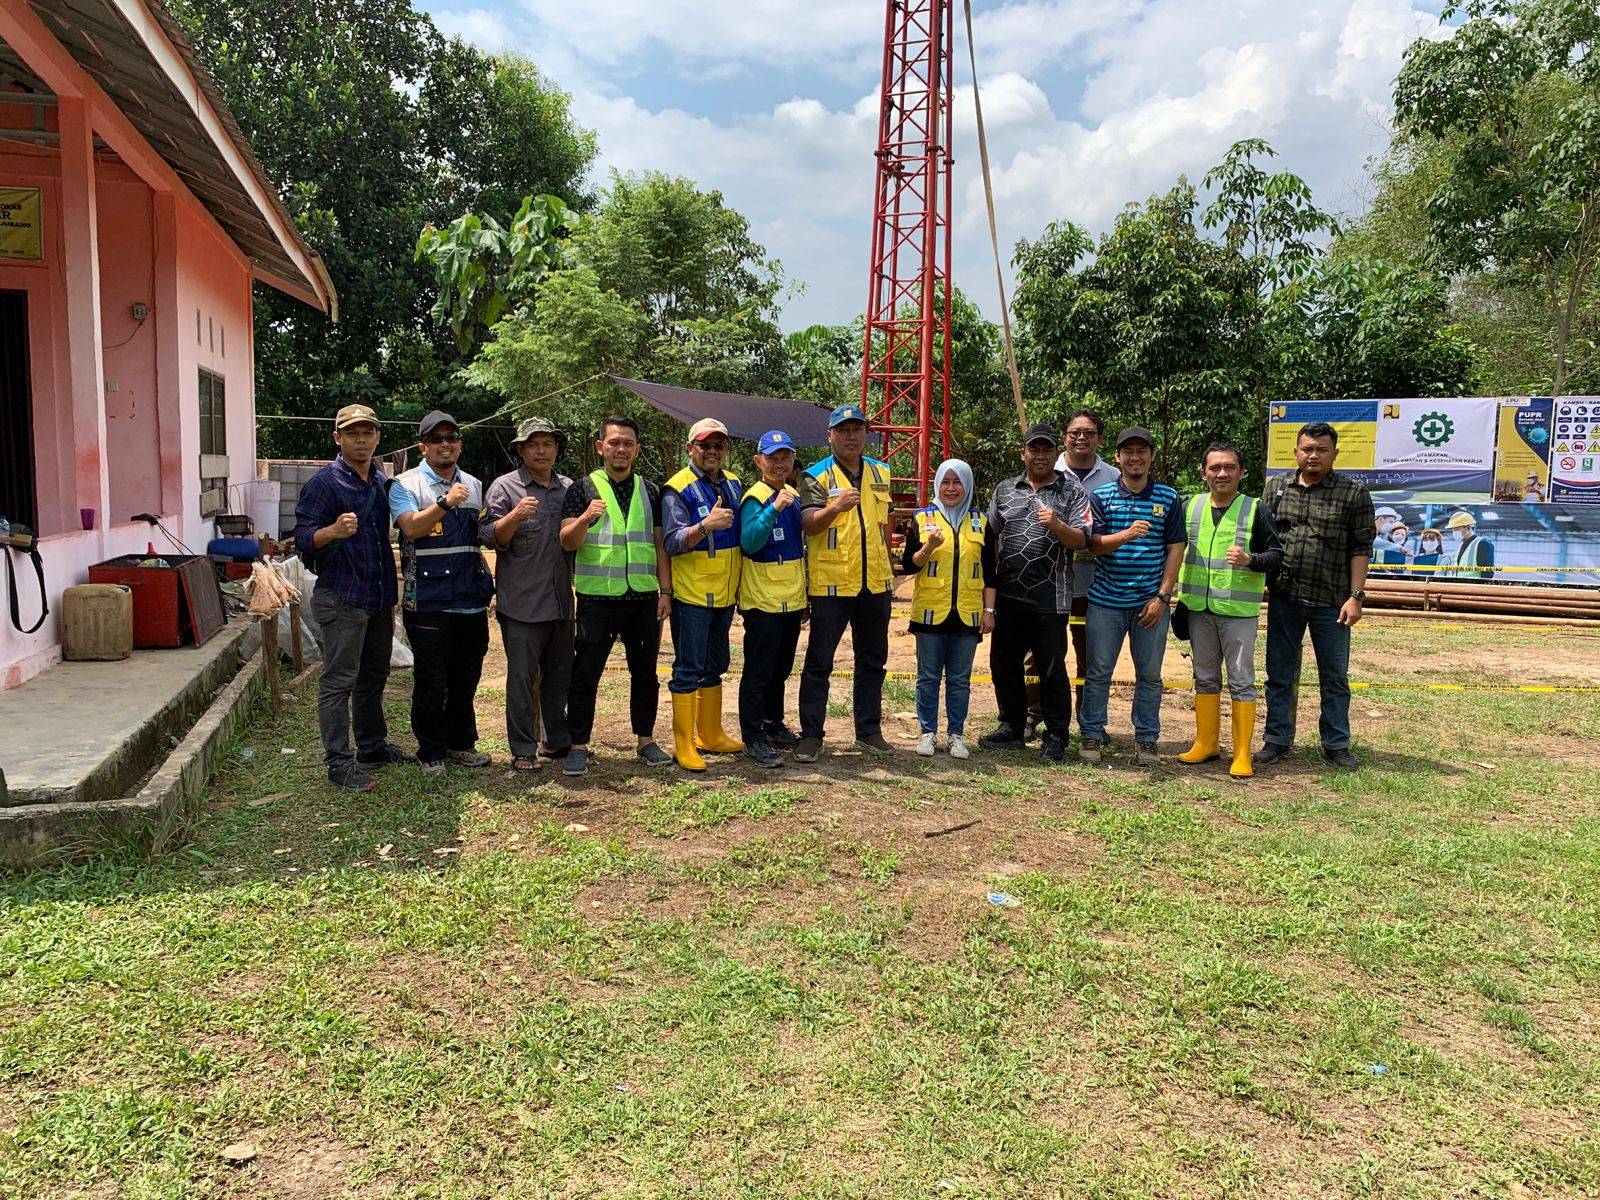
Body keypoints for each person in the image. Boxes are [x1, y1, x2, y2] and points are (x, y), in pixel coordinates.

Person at [294, 403, 411, 791]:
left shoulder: (379, 480)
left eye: (367, 432)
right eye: (352, 433)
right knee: (339, 680)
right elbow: (302, 539)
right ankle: (339, 765)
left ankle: (372, 748)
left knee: (374, 675)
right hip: (342, 597)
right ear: (337, 439)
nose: (361, 439)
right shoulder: (324, 483)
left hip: (377, 595)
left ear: (377, 437)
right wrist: (331, 531)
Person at [1254, 421, 1375, 771]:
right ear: (1295, 452)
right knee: (1279, 672)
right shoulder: (1275, 488)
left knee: (1334, 675)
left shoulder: (1352, 493)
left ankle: (1335, 743)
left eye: (1322, 450)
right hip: (1284, 596)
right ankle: (1277, 740)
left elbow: (1360, 547)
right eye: (1307, 448)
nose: (1313, 455)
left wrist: (1356, 596)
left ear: (1335, 453)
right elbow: (1264, 539)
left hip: (1332, 600)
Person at [558, 415, 674, 776]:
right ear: (600, 447)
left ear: (637, 449)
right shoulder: (581, 489)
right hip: (598, 598)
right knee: (585, 674)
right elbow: (567, 541)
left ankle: (645, 740)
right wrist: (584, 520)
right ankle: (578, 745)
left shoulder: (650, 490)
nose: (620, 449)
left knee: (645, 674)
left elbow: (659, 545)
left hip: (642, 597)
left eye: (627, 443)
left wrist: (665, 590)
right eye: (614, 443)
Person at [389, 411, 495, 778]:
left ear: (460, 445)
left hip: (469, 597)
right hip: (428, 600)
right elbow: (411, 528)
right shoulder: (405, 484)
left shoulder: (476, 484)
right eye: (436, 439)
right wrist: (445, 502)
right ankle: (430, 751)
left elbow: (481, 535)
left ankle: (461, 744)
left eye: (451, 437)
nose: (445, 444)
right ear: (423, 446)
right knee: (431, 679)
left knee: (466, 677)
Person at [979, 423, 1089, 763]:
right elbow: (988, 540)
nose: (1040, 455)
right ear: (1023, 453)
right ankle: (1011, 725)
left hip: (1050, 598)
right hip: (1009, 596)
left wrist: (1057, 524)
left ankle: (1056, 735)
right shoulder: (1004, 490)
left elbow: (1083, 540)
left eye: (1047, 449)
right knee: (1003, 665)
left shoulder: (1071, 492)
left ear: (1057, 454)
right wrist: (990, 596)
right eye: (1034, 449)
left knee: (1052, 669)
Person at [1174, 442, 1282, 778]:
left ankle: (1241, 754)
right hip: (1197, 608)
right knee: (1204, 678)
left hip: (1237, 612)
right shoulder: (1189, 506)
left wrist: (1252, 560)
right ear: (1204, 472)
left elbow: (1277, 555)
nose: (1222, 473)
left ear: (1242, 472)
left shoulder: (1255, 509)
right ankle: (1206, 744)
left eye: (1229, 467)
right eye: (1215, 468)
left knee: (1241, 681)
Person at [1079, 427, 1186, 767]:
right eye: (1128, 452)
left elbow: (1175, 547)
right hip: (1105, 601)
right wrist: (1125, 535)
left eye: (1142, 451)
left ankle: (1146, 740)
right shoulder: (1102, 496)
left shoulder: (1168, 498)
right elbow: (1091, 544)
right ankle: (1092, 734)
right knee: (1098, 672)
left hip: (1150, 604)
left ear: (1152, 456)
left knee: (1150, 675)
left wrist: (1163, 596)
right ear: (1118, 457)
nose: (1135, 457)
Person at [796, 404, 895, 761]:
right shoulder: (813, 476)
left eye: (857, 429)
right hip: (831, 586)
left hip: (875, 585)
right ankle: (811, 734)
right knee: (820, 662)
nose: (851, 436)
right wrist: (835, 507)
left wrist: (890, 575)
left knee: (873, 661)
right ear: (830, 436)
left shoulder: (881, 471)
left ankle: (868, 731)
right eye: (844, 430)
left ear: (866, 434)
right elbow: (808, 524)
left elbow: (884, 527)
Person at [483, 416, 575, 772]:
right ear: (520, 449)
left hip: (561, 601)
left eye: (548, 444)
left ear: (556, 449)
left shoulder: (569, 488)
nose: (541, 450)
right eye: (533, 444)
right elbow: (492, 537)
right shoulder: (505, 489)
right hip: (521, 603)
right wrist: (515, 517)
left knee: (559, 675)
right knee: (522, 679)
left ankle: (557, 739)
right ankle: (523, 748)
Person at [663, 418, 745, 771]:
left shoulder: (735, 484)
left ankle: (710, 733)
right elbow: (671, 542)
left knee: (716, 666)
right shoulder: (676, 489)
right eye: (704, 445)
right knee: (688, 669)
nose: (712, 452)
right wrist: (703, 526)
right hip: (692, 596)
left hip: (725, 596)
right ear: (690, 448)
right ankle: (684, 743)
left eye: (718, 446)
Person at [903, 458, 996, 759]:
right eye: (946, 482)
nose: (952, 488)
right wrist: (927, 548)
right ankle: (927, 733)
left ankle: (956, 734)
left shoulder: (982, 522)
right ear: (937, 485)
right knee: (928, 676)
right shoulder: (921, 518)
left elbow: (991, 570)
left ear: (967, 485)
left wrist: (989, 611)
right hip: (931, 611)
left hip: (968, 613)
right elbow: (907, 565)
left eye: (958, 482)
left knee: (959, 680)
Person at [737, 429, 806, 769]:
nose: (779, 464)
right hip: (762, 601)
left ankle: (772, 723)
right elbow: (749, 541)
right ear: (758, 460)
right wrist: (772, 509)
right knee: (759, 671)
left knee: (780, 669)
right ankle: (753, 736)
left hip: (790, 601)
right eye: (773, 457)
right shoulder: (755, 497)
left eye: (785, 457)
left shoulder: (793, 493)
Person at [1055, 408, 1119, 713]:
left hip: (1096, 582)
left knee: (1092, 654)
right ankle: (1036, 714)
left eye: (1089, 433)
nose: (1081, 438)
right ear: (1065, 437)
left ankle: (1088, 717)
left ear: (1099, 440)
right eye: (1075, 432)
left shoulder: (1113, 477)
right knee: (1043, 652)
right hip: (1050, 579)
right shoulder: (1047, 470)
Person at [1446, 511, 1495, 580]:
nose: (1454, 532)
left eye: (1456, 529)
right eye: (1453, 529)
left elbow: (1487, 574)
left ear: (1468, 527)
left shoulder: (1483, 543)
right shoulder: (1462, 546)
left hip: (1473, 587)